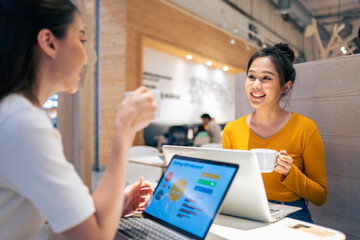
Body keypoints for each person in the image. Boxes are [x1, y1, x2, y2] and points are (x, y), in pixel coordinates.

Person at [0, 1, 157, 239]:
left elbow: (54, 210)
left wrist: (116, 204)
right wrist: (125, 130)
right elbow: (94, 237)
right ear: (49, 42)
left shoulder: (13, 113)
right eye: (82, 40)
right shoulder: (23, 123)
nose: (87, 57)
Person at [222, 43, 327, 223]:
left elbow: (320, 196)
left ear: (285, 87)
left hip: (292, 215)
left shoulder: (305, 128)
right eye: (251, 76)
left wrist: (290, 173)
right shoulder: (232, 129)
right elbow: (226, 183)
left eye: (266, 78)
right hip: (246, 211)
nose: (256, 85)